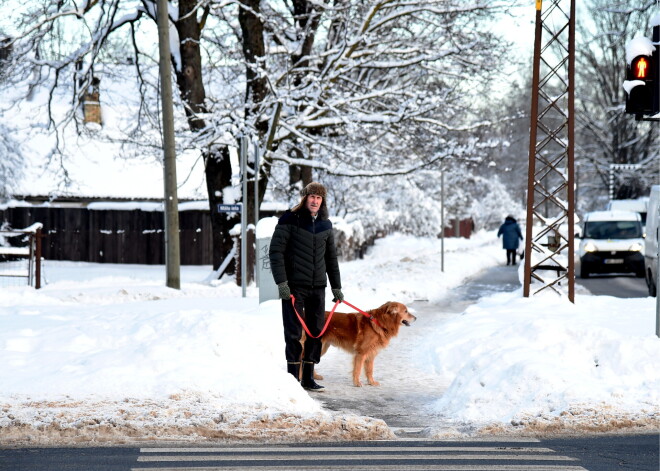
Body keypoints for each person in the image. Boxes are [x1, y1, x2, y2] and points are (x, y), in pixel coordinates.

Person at [269, 182, 343, 392]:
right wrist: (281, 282)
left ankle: (308, 377)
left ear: (323, 201)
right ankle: (292, 377)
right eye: (312, 196)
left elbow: (331, 258)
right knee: (293, 332)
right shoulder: (289, 220)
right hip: (293, 287)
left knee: (316, 331)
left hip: (318, 287)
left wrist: (336, 287)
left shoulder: (325, 225)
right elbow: (276, 253)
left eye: (319, 198)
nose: (315, 201)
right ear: (304, 198)